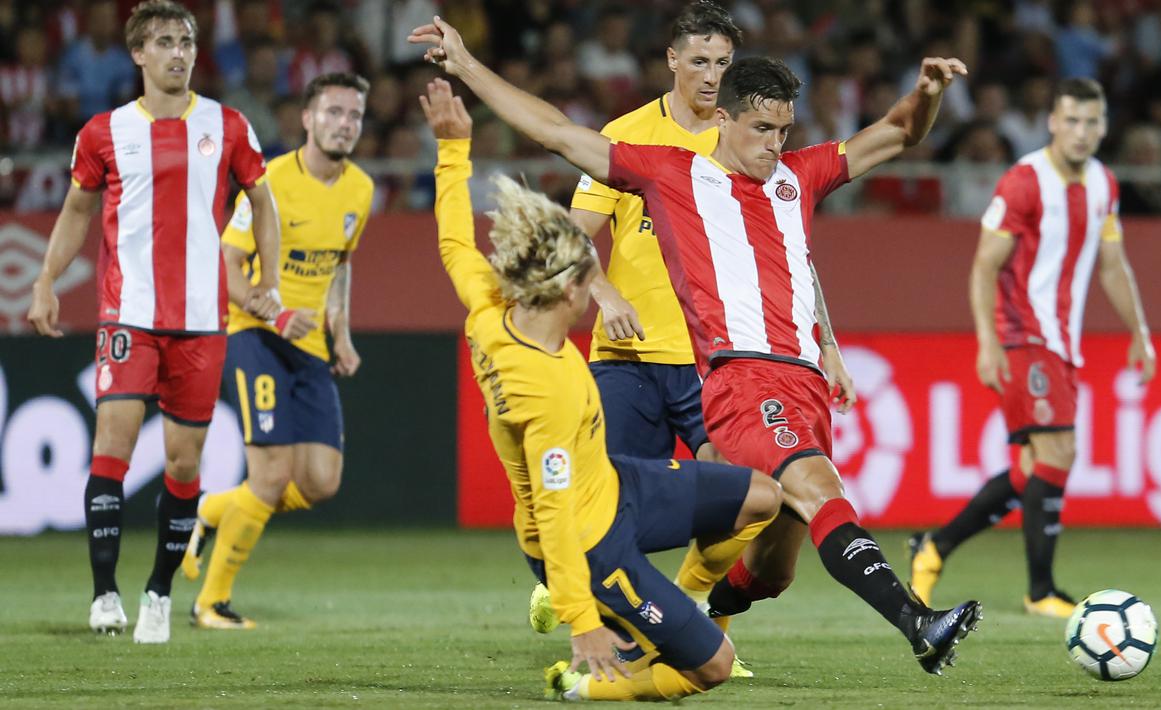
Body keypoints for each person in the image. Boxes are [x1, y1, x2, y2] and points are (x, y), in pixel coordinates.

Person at [411, 17, 980, 674]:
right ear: (725, 120)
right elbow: (556, 132)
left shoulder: (801, 176)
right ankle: (917, 622)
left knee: (773, 567)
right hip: (742, 380)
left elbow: (900, 131)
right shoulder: (672, 175)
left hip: (803, 384)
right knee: (819, 489)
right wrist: (467, 65)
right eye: (761, 130)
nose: (774, 145)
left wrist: (929, 90)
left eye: (783, 131)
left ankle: (698, 615)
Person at [424, 78, 782, 701]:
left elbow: (455, 242)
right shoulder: (545, 391)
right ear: (567, 292)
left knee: (762, 495)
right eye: (590, 273)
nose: (599, 279)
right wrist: (582, 622)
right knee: (713, 669)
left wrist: (452, 149)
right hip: (591, 542)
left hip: (616, 485)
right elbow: (557, 517)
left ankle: (676, 610)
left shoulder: (489, 307)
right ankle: (580, 686)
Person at [26, 0, 279, 644]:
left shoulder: (227, 125)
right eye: (164, 41)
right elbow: (77, 212)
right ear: (138, 53)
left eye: (186, 40)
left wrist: (268, 279)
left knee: (184, 464)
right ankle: (104, 593)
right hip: (129, 314)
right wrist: (47, 280)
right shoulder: (104, 132)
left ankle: (160, 592)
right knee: (111, 446)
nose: (178, 52)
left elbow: (263, 202)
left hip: (201, 320)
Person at [528, 1, 754, 674]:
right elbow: (572, 234)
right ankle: (593, 624)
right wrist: (601, 290)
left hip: (710, 360)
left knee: (738, 499)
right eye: (700, 62)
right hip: (627, 361)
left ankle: (687, 614)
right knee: (609, 519)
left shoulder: (737, 140)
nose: (711, 76)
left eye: (723, 63)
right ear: (672, 61)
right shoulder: (626, 136)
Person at [908, 78, 1157, 617]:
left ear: (1104, 126)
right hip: (1023, 333)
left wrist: (1140, 331)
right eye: (1071, 120)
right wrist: (987, 341)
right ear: (1052, 121)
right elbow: (983, 264)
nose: (1081, 132)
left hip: (1064, 342)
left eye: (1092, 122)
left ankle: (933, 546)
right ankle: (1041, 590)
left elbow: (1113, 264)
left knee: (1030, 469)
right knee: (1059, 452)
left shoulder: (1104, 185)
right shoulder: (1024, 182)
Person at [179, 72, 373, 629]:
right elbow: (226, 265)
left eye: (354, 115)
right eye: (333, 112)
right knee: (268, 477)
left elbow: (340, 265)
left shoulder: (360, 188)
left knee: (319, 481)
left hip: (310, 345)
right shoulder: (270, 184)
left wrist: (342, 332)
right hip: (255, 334)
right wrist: (276, 312)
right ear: (307, 119)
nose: (344, 123)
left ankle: (210, 512)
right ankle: (210, 603)